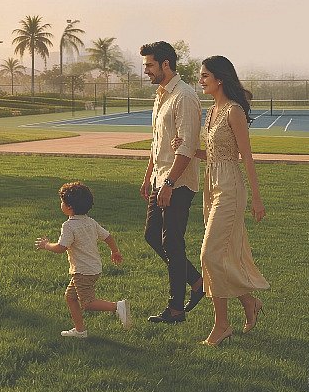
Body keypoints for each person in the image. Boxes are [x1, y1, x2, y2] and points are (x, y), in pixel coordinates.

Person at [196, 55, 268, 347]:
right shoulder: (211, 111)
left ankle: (221, 325)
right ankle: (249, 301)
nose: (200, 81)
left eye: (204, 76)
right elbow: (212, 155)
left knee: (209, 255)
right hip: (210, 184)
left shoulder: (234, 111)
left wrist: (257, 198)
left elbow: (246, 157)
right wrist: (188, 151)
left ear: (220, 79)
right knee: (219, 254)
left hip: (230, 187)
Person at [139, 41, 206, 324]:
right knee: (153, 236)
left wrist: (168, 183)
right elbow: (159, 143)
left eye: (149, 65)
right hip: (160, 178)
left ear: (166, 64)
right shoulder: (161, 95)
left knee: (172, 243)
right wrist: (149, 177)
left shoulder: (185, 96)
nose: (146, 71)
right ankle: (197, 282)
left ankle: (176, 308)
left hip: (177, 182)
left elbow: (187, 146)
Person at [35, 180, 132, 338]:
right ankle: (80, 331)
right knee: (70, 297)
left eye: (62, 202)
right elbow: (107, 236)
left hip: (83, 272)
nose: (61, 204)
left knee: (87, 303)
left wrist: (46, 245)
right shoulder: (90, 222)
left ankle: (117, 306)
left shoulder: (69, 226)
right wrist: (115, 251)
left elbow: (61, 248)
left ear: (69, 207)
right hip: (92, 269)